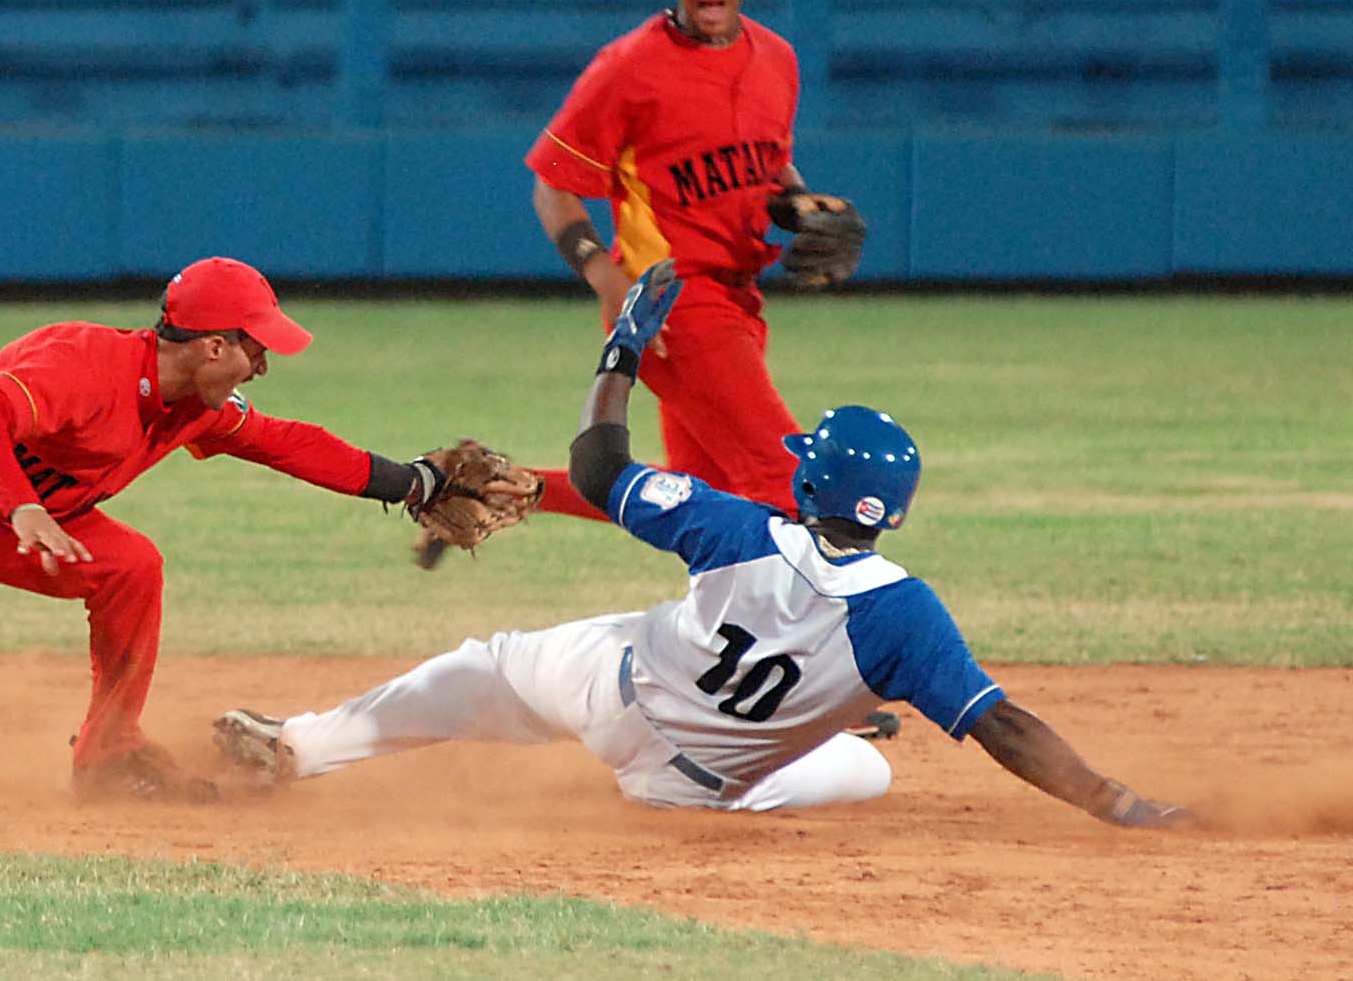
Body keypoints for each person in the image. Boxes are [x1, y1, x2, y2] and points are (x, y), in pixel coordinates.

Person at [217, 266, 1188, 827]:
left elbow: (599, 466)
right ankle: (831, 726)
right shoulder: (907, 616)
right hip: (690, 788)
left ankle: (301, 745)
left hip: (614, 689)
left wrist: (621, 353)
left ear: (811, 483)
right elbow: (1003, 726)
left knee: (490, 668)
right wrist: (1118, 802)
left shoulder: (740, 527)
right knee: (870, 770)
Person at [0, 256, 459, 816]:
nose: (263, 362)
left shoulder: (191, 406)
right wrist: (22, 509)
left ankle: (108, 754)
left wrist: (411, 483)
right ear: (208, 347)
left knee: (132, 567)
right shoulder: (85, 364)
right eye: (252, 346)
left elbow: (286, 441)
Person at [413, 0, 859, 571]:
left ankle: (483, 487)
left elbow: (767, 166)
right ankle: (846, 655)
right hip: (674, 303)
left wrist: (800, 206)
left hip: (740, 300)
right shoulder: (628, 68)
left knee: (702, 499)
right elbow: (552, 183)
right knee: (794, 487)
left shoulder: (777, 59)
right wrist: (601, 271)